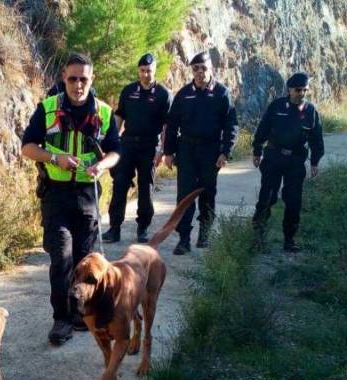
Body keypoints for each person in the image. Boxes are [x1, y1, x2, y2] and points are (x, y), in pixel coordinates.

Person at [21, 53, 121, 345]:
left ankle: (83, 315)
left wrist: (102, 165)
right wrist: (55, 157)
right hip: (56, 195)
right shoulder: (48, 109)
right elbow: (27, 147)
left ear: (92, 80)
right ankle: (62, 320)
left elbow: (116, 150)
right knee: (62, 258)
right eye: (73, 78)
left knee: (86, 259)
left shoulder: (103, 113)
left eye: (84, 79)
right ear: (64, 78)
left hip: (88, 194)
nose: (78, 85)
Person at [162, 51, 238, 253]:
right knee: (185, 196)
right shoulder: (184, 94)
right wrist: (168, 152)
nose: (199, 72)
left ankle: (204, 233)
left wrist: (225, 152)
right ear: (192, 71)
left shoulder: (221, 93)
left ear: (210, 68)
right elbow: (172, 125)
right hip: (186, 150)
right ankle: (184, 239)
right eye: (195, 68)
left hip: (210, 151)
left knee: (207, 193)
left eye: (203, 67)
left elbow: (231, 124)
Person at [101, 53, 173, 244]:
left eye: (149, 71)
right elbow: (119, 117)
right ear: (138, 71)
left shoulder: (163, 94)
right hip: (127, 144)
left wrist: (162, 150)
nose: (146, 75)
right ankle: (114, 228)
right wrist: (112, 141)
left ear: (154, 70)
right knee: (120, 185)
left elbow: (167, 126)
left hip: (149, 145)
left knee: (145, 187)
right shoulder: (128, 91)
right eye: (142, 71)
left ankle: (143, 228)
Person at [251, 72, 324, 252]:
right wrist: (257, 150)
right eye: (298, 90)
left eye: (305, 90)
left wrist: (315, 161)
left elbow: (316, 138)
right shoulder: (277, 106)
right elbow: (263, 128)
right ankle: (258, 237)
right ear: (290, 89)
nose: (301, 93)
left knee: (293, 201)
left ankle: (289, 240)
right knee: (267, 198)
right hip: (274, 157)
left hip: (295, 161)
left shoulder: (310, 111)